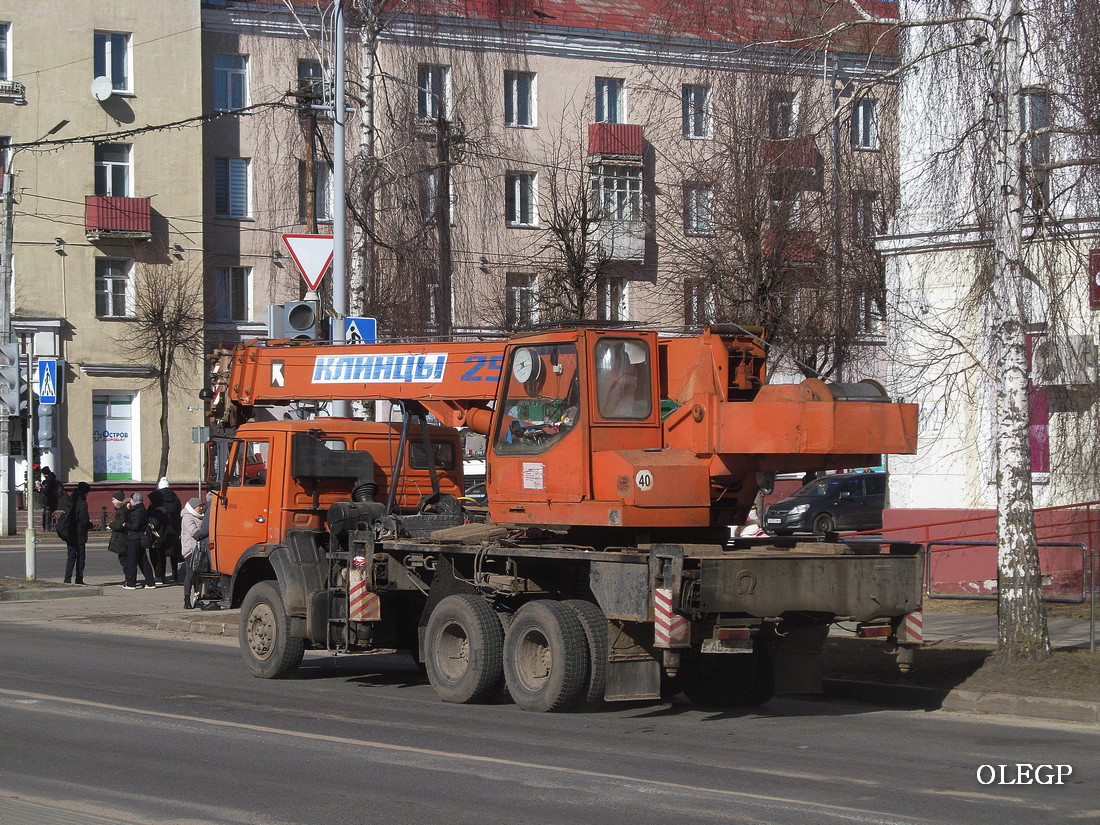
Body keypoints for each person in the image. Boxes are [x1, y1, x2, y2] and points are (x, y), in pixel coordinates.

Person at [148, 477, 183, 585]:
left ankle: (159, 576)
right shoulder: (176, 498)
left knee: (158, 553)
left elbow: (151, 512)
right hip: (173, 529)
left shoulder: (157, 499)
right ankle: (176, 575)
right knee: (174, 553)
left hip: (159, 530)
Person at [122, 492, 155, 590]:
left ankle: (131, 583)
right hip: (139, 538)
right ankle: (150, 582)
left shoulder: (137, 511)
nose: (130, 502)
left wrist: (126, 525)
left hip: (134, 538)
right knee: (143, 560)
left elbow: (135, 526)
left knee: (132, 561)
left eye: (131, 500)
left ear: (134, 501)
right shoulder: (141, 509)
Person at [62, 482, 93, 585]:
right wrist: (90, 525)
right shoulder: (82, 504)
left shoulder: (71, 500)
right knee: (80, 557)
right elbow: (84, 521)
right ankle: (79, 579)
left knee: (70, 557)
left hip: (69, 533)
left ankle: (67, 579)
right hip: (79, 535)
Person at [180, 496, 205, 609]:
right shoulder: (187, 517)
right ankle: (187, 599)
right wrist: (204, 533)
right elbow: (194, 532)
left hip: (199, 550)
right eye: (199, 506)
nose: (201, 508)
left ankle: (198, 598)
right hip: (190, 550)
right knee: (190, 574)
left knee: (199, 575)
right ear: (194, 507)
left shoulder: (200, 517)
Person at [106, 490, 129, 576]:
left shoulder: (122, 511)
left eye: (113, 499)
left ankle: (129, 579)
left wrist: (111, 525)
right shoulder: (122, 510)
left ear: (119, 500)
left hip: (122, 540)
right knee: (124, 559)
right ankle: (129, 578)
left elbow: (120, 525)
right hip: (122, 539)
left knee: (124, 559)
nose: (112, 502)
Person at [37, 467, 62, 531]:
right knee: (51, 514)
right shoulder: (54, 480)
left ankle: (47, 528)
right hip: (54, 500)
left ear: (45, 474)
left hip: (48, 500)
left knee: (47, 515)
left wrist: (40, 488)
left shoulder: (48, 481)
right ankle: (51, 527)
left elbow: (46, 491)